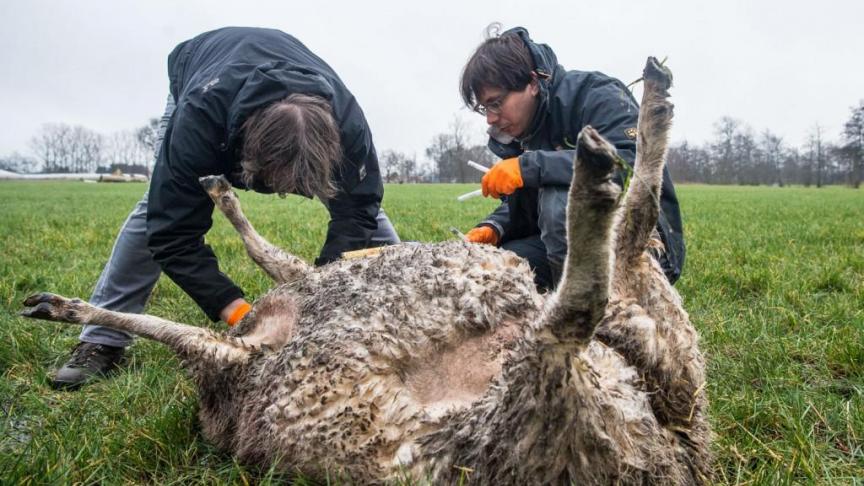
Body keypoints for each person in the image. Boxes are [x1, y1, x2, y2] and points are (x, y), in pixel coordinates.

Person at [52, 27, 400, 389]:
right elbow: (173, 233)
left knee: (367, 217)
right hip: (202, 76)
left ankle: (407, 303)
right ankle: (102, 339)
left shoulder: (348, 121)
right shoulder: (198, 122)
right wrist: (241, 314)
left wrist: (328, 287)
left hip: (296, 100)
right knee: (153, 210)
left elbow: (359, 207)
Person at [460, 25, 685, 290]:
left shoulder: (596, 94)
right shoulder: (522, 131)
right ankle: (562, 298)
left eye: (496, 103)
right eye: (484, 108)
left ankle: (581, 315)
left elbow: (632, 165)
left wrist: (529, 166)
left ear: (532, 82)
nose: (490, 118)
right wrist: (496, 226)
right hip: (563, 249)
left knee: (560, 197)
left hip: (639, 246)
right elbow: (532, 205)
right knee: (503, 264)